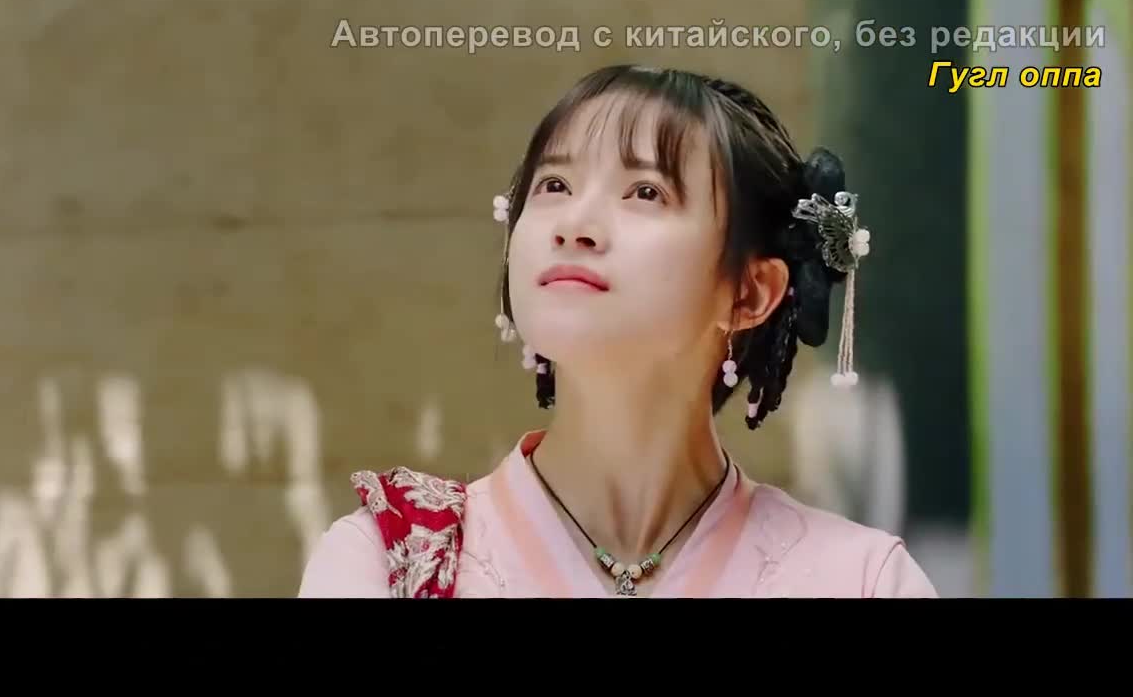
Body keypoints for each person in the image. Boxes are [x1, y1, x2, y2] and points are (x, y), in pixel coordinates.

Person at [297, 64, 937, 598]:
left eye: (645, 192)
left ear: (749, 291)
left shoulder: (861, 580)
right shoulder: (389, 562)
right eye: (553, 184)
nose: (574, 224)